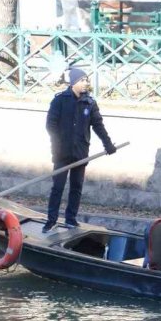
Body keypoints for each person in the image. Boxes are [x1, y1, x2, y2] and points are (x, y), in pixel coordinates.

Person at [43, 68, 115, 232]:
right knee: (58, 187)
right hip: (61, 153)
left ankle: (71, 219)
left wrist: (108, 144)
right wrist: (58, 145)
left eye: (87, 80)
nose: (86, 83)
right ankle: (51, 220)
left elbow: (98, 126)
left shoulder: (89, 103)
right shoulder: (60, 101)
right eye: (83, 80)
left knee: (76, 187)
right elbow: (50, 125)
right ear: (74, 82)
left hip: (80, 153)